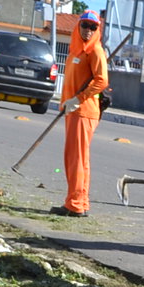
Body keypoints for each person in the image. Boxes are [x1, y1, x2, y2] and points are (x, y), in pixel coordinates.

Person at [54, 11, 108, 217]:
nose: (88, 30)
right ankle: (79, 202)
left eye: (93, 27)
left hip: (83, 111)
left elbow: (102, 80)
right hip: (72, 110)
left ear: (97, 30)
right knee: (78, 158)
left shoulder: (95, 50)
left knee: (76, 159)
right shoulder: (76, 49)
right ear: (78, 26)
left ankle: (75, 204)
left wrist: (78, 99)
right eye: (85, 25)